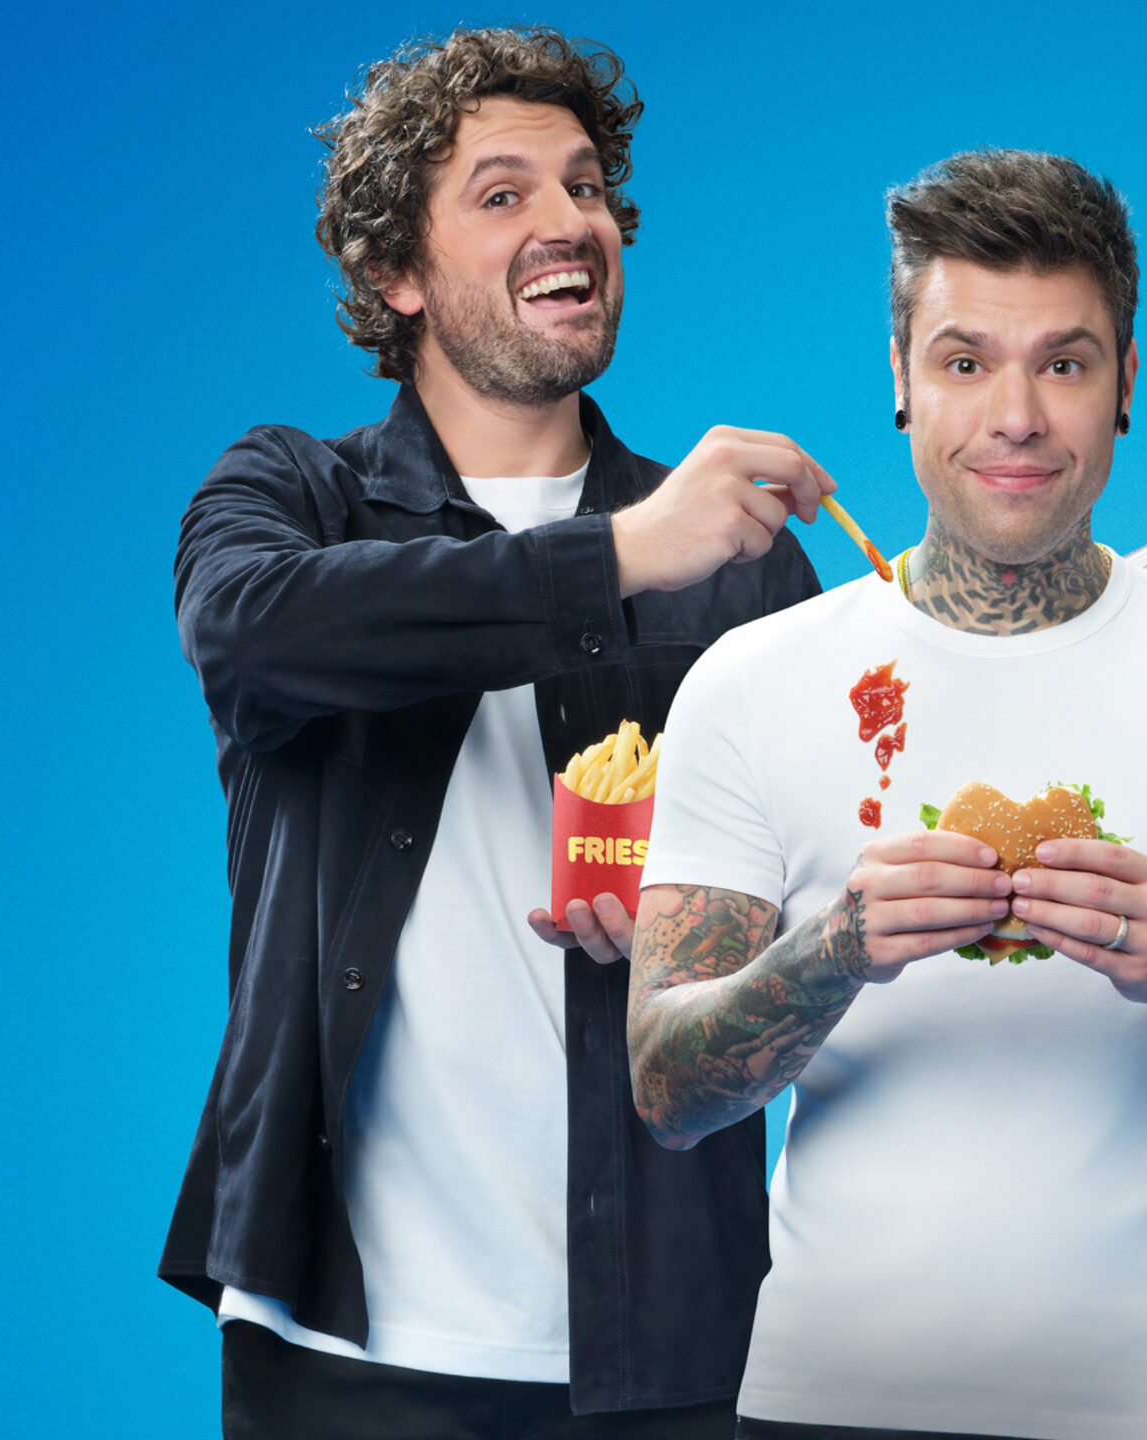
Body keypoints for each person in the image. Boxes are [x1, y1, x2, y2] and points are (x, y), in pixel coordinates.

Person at [623, 150, 1147, 1440]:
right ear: (902, 383)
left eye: (1063, 365)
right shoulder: (752, 680)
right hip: (828, 1404)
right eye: (965, 362)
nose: (1015, 416)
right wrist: (834, 950)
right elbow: (667, 1092)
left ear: (1124, 384)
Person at [159, 27, 835, 1438]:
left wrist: (716, 938)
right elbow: (252, 637)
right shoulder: (291, 494)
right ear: (394, 275)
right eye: (504, 192)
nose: (569, 219)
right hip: (339, 1344)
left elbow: (823, 907)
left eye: (586, 186)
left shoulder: (748, 565)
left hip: (676, 1341)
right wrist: (624, 555)